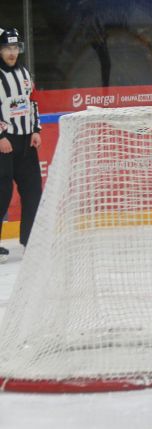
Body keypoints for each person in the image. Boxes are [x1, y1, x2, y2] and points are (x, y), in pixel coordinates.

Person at [0, 28, 42, 263]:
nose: (12, 52)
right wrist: (0, 137)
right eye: (7, 48)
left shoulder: (25, 73)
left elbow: (32, 102)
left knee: (33, 191)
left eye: (15, 47)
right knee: (2, 193)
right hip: (4, 142)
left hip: (26, 142)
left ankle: (30, 241)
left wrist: (36, 130)